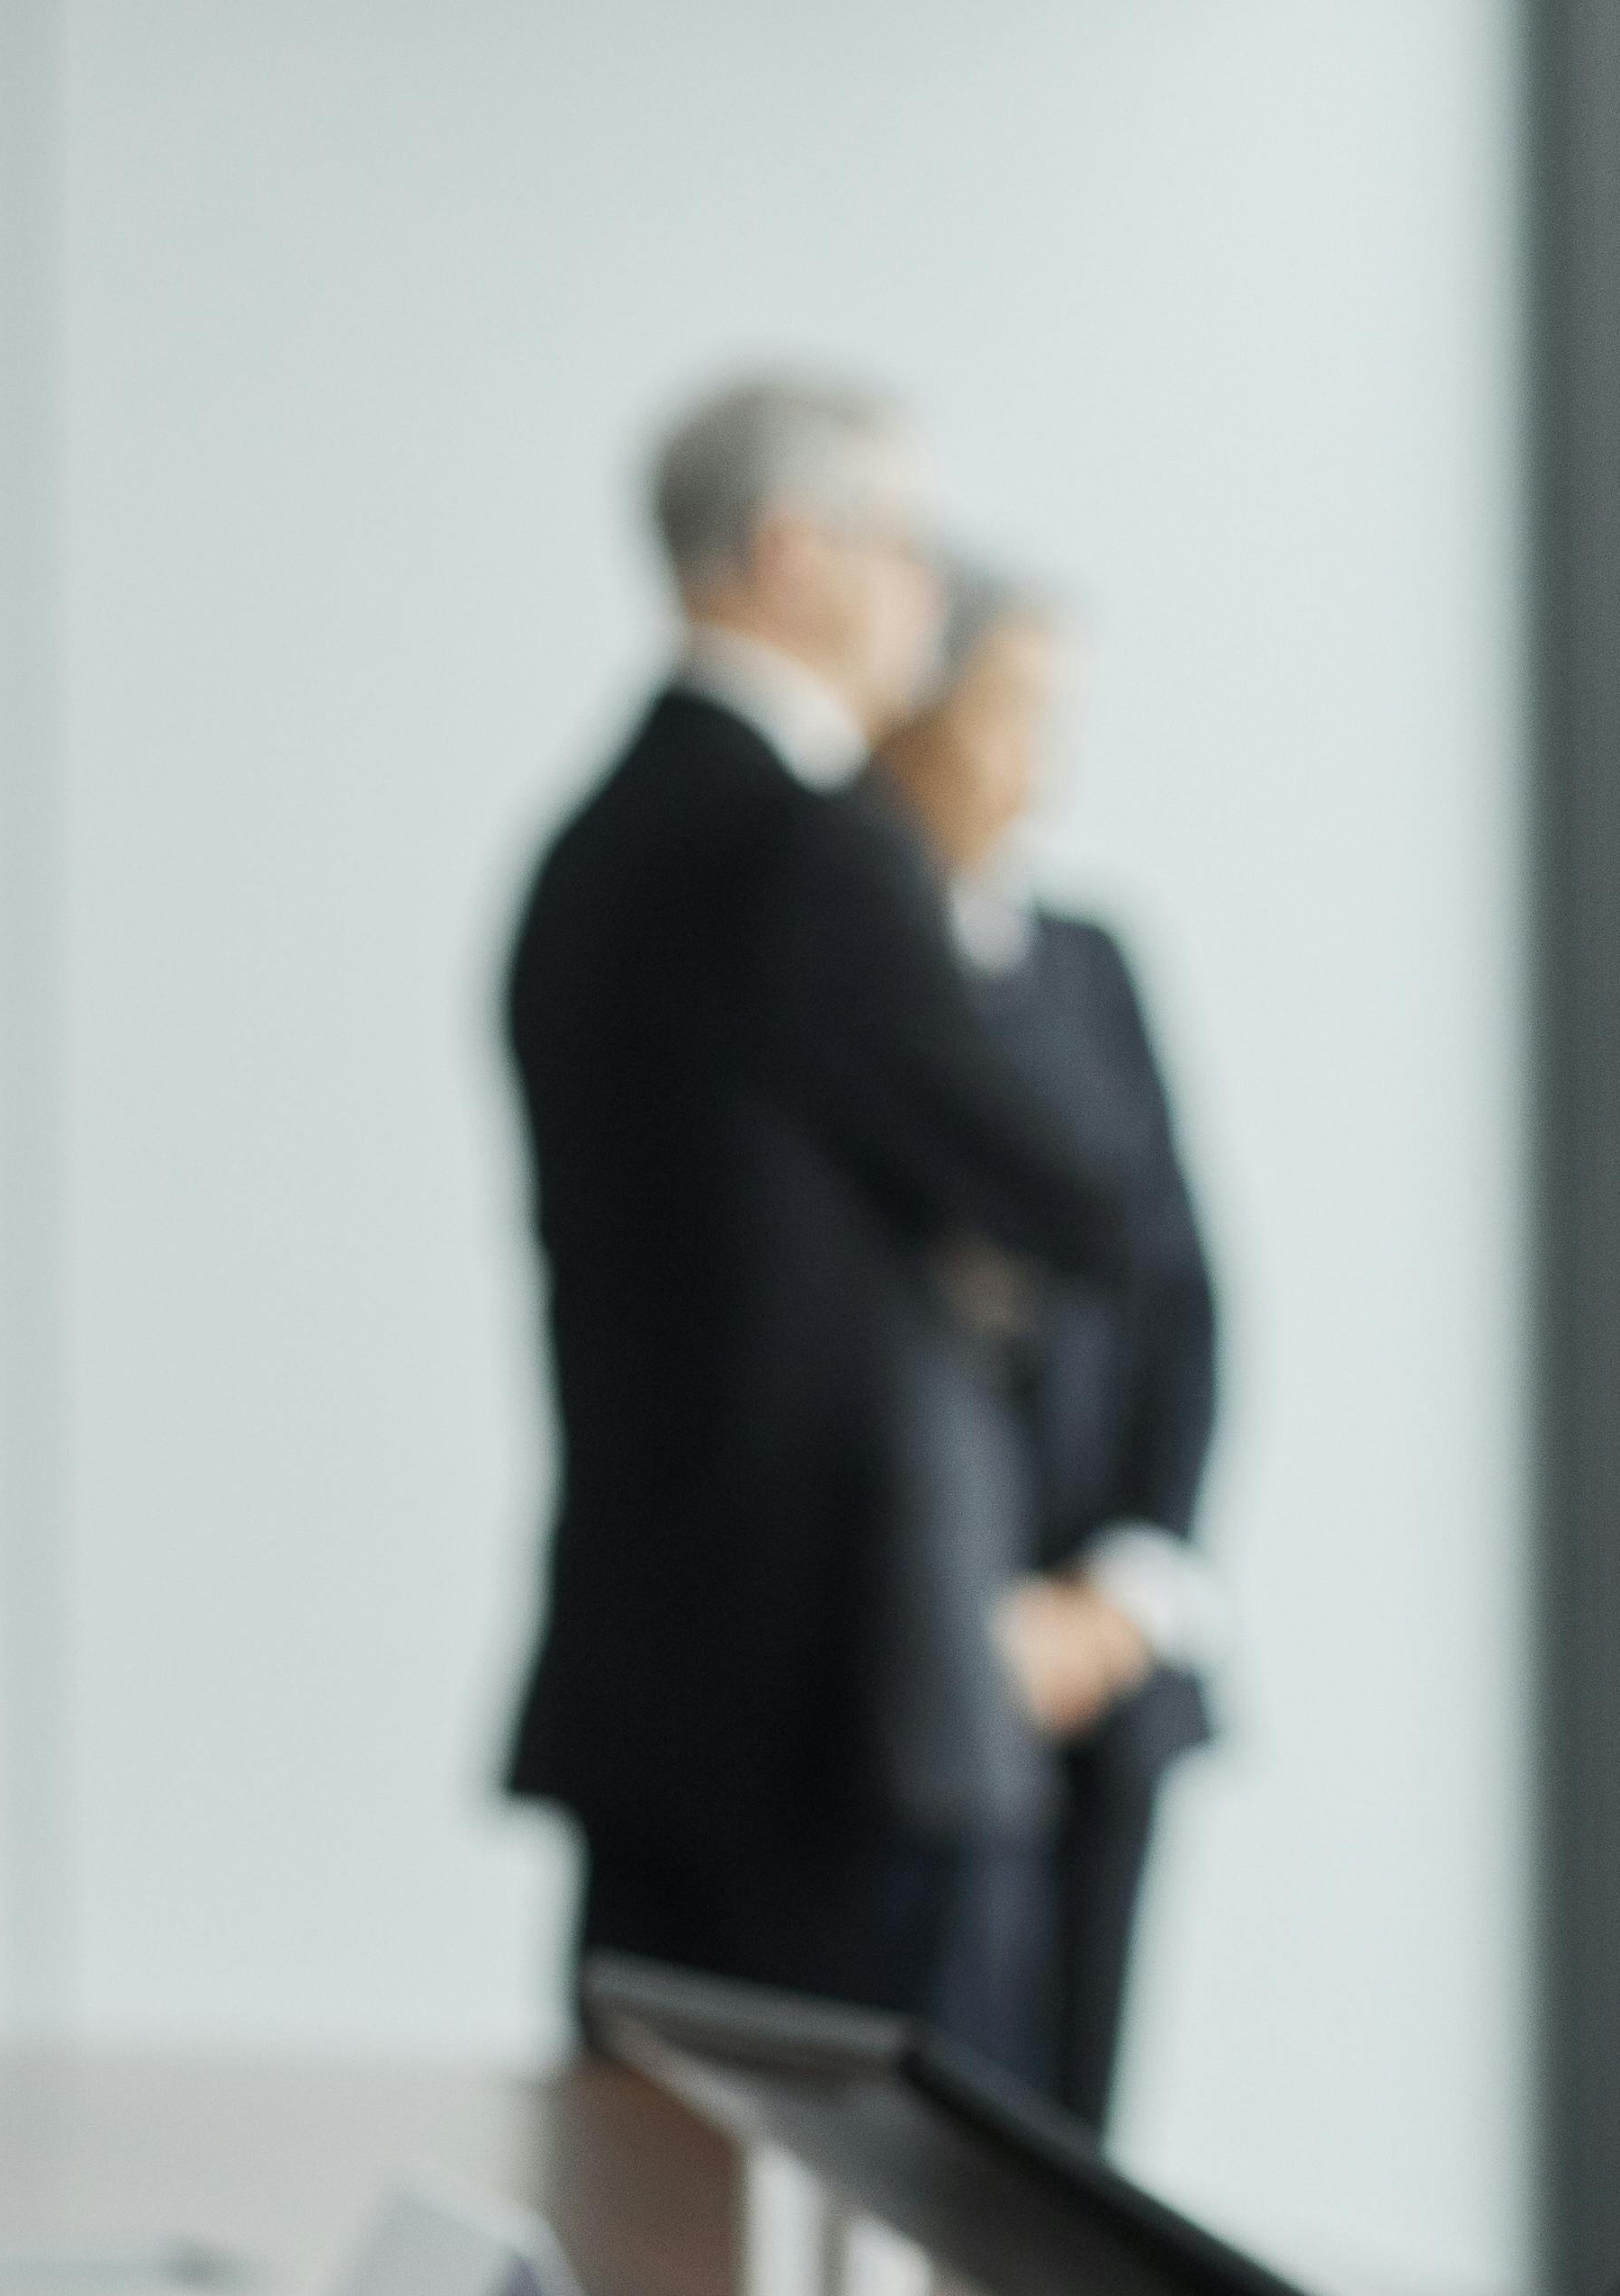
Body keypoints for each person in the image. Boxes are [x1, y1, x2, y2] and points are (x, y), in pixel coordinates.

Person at [499, 374, 1127, 2046]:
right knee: (893, 2190)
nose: (932, 594)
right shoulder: (808, 849)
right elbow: (1075, 1200)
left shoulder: (585, 851)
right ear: (791, 554)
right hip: (854, 1696)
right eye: (909, 546)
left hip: (651, 1688)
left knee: (648, 2180)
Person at [868, 563, 1220, 2131]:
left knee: (1079, 2156)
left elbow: (1179, 1295)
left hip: (1097, 1662)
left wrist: (1126, 1591)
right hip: (915, 1664)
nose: (1041, 767)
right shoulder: (841, 962)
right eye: (1010, 713)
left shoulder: (1088, 965)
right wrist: (973, 1624)